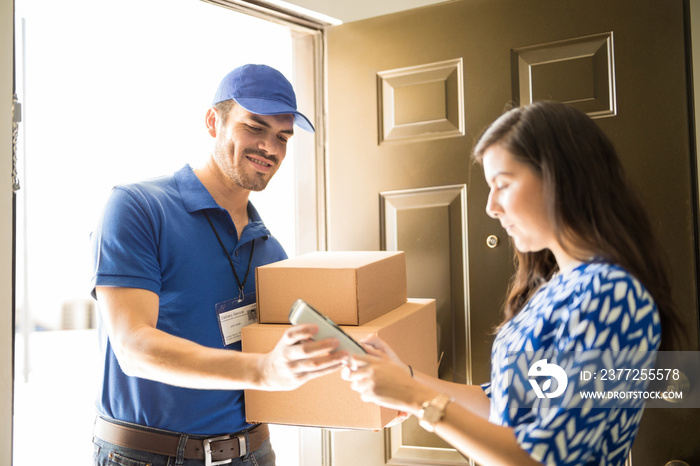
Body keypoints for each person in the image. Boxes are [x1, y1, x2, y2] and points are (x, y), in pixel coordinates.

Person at [342, 101, 682, 466]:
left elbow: (546, 459)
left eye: (502, 184)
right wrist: (408, 380)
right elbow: (506, 404)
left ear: (560, 179)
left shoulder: (611, 294)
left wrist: (416, 397)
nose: (490, 206)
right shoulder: (555, 287)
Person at [90, 64, 346, 466]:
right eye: (255, 128)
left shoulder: (271, 251)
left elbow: (293, 360)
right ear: (214, 122)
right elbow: (133, 348)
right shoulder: (139, 207)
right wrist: (262, 370)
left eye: (283, 137)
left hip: (253, 452)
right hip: (150, 456)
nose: (271, 148)